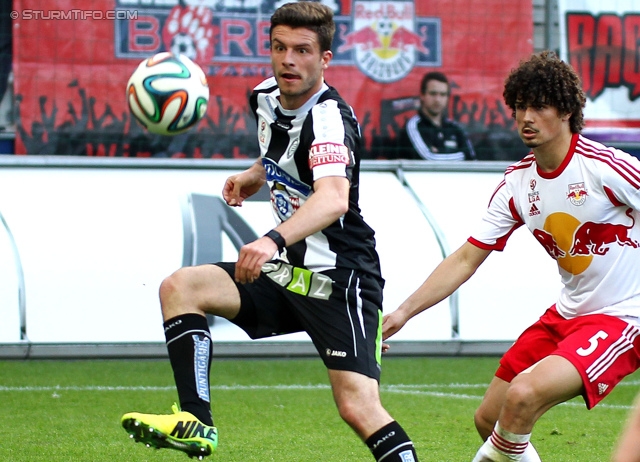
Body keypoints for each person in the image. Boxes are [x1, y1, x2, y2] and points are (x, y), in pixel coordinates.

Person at [120, 2, 419, 461]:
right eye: (279, 48)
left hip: (337, 280)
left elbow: (334, 197)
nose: (288, 60)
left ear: (325, 59)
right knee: (181, 287)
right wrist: (256, 174)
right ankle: (196, 422)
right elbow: (282, 149)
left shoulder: (331, 119)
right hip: (288, 275)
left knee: (358, 407)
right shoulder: (264, 96)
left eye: (302, 50)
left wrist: (270, 239)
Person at [382, 50, 640, 462]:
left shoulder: (606, 168)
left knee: (521, 396)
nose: (526, 117)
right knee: (489, 419)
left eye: (538, 106)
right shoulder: (518, 183)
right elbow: (466, 257)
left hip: (624, 316)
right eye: (520, 106)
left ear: (567, 111)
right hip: (566, 315)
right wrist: (403, 312)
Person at [394, 71, 476, 160]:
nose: (437, 99)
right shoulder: (413, 126)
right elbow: (429, 159)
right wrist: (462, 155)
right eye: (433, 94)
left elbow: (472, 160)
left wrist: (442, 153)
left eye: (442, 94)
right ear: (422, 95)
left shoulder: (454, 128)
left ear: (447, 98)